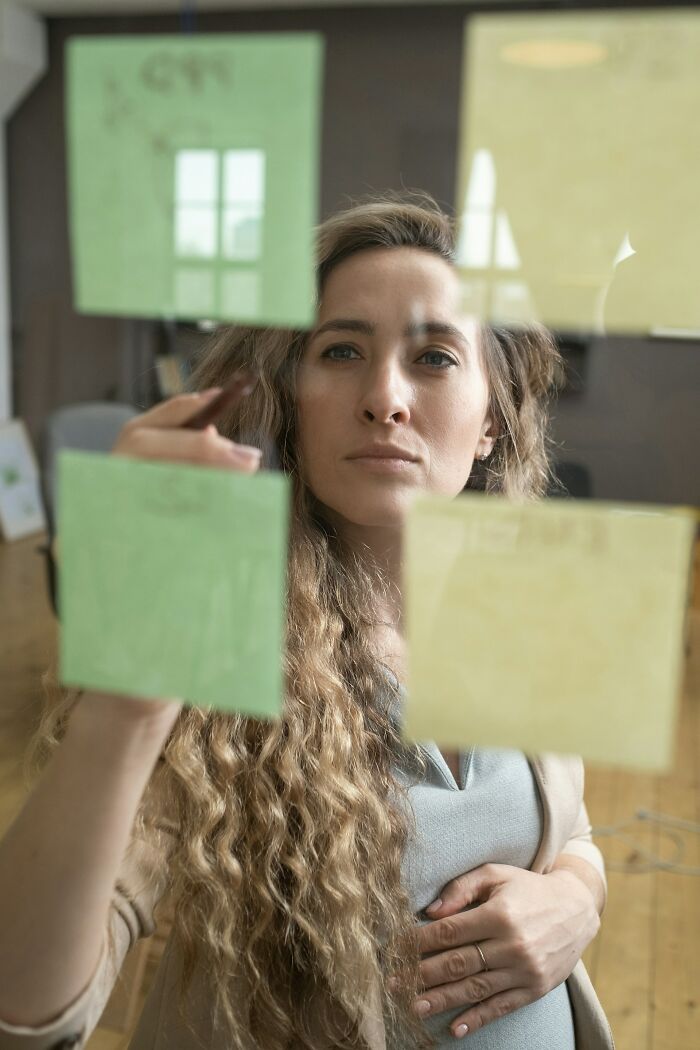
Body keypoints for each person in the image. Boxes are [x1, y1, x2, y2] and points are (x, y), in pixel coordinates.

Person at [0, 196, 613, 1050]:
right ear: (290, 402)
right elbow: (26, 1011)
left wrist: (576, 899)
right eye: (341, 352)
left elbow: (571, 829)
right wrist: (124, 703)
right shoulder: (226, 658)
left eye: (434, 356)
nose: (385, 398)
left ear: (491, 425)